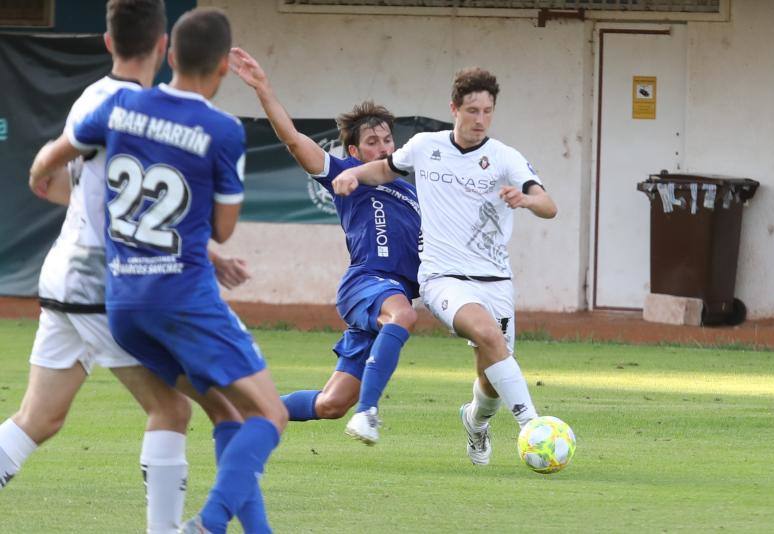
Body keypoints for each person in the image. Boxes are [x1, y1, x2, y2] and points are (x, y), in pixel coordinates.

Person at [29, 8, 288, 534]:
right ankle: (206, 525)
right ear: (220, 67)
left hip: (123, 303)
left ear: (170, 54)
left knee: (221, 412)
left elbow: (51, 162)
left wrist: (47, 180)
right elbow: (222, 229)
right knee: (270, 415)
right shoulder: (222, 128)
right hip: (183, 297)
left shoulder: (119, 104)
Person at [332, 67, 558, 466]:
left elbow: (548, 204)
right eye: (472, 110)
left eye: (487, 111)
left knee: (490, 374)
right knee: (488, 333)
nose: (479, 120)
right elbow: (384, 169)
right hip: (443, 278)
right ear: (454, 108)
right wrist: (352, 174)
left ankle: (475, 422)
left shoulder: (505, 157)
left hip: (496, 280)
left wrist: (526, 201)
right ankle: (533, 425)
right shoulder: (425, 146)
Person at [229, 47, 420, 445]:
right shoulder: (349, 175)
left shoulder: (413, 190)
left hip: (391, 293)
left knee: (332, 404)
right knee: (402, 317)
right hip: (368, 283)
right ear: (354, 152)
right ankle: (368, 413)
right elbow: (295, 141)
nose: (384, 148)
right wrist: (263, 89)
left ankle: (251, 412)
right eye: (373, 142)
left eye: (388, 139)